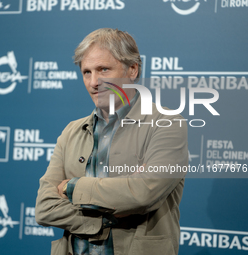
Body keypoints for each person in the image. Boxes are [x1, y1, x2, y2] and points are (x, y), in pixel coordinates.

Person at [35, 28, 188, 255]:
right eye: (86, 72)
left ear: (132, 69)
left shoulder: (166, 123)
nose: (94, 82)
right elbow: (44, 208)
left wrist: (73, 187)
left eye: (103, 69)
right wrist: (105, 218)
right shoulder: (71, 131)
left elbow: (143, 194)